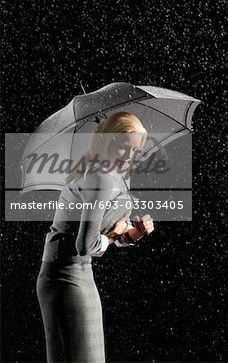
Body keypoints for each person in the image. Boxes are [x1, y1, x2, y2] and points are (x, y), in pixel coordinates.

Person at [36, 111, 155, 363]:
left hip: (80, 274)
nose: (129, 157)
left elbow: (112, 232)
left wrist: (134, 234)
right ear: (107, 141)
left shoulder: (117, 176)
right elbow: (86, 245)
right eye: (124, 148)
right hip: (64, 276)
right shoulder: (99, 177)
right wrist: (113, 237)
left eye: (135, 150)